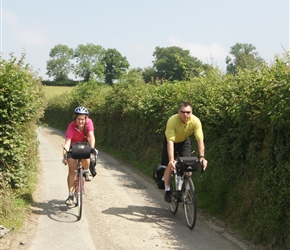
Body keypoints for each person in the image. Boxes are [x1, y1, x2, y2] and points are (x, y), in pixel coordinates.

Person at [161, 101, 208, 202]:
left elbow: (200, 140)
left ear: (192, 112)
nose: (185, 115)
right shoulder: (172, 120)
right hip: (171, 142)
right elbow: (170, 141)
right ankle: (168, 191)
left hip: (184, 142)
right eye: (183, 112)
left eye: (188, 112)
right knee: (169, 166)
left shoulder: (195, 121)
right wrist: (171, 160)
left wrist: (202, 157)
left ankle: (185, 190)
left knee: (189, 165)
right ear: (179, 112)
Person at [62, 106, 96, 206]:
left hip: (85, 145)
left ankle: (86, 171)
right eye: (78, 119)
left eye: (82, 119)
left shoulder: (89, 123)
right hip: (74, 147)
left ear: (86, 119)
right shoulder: (71, 126)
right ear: (75, 118)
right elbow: (67, 142)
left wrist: (92, 148)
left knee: (86, 156)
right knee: (71, 171)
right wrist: (65, 155)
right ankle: (71, 194)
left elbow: (91, 136)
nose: (81, 121)